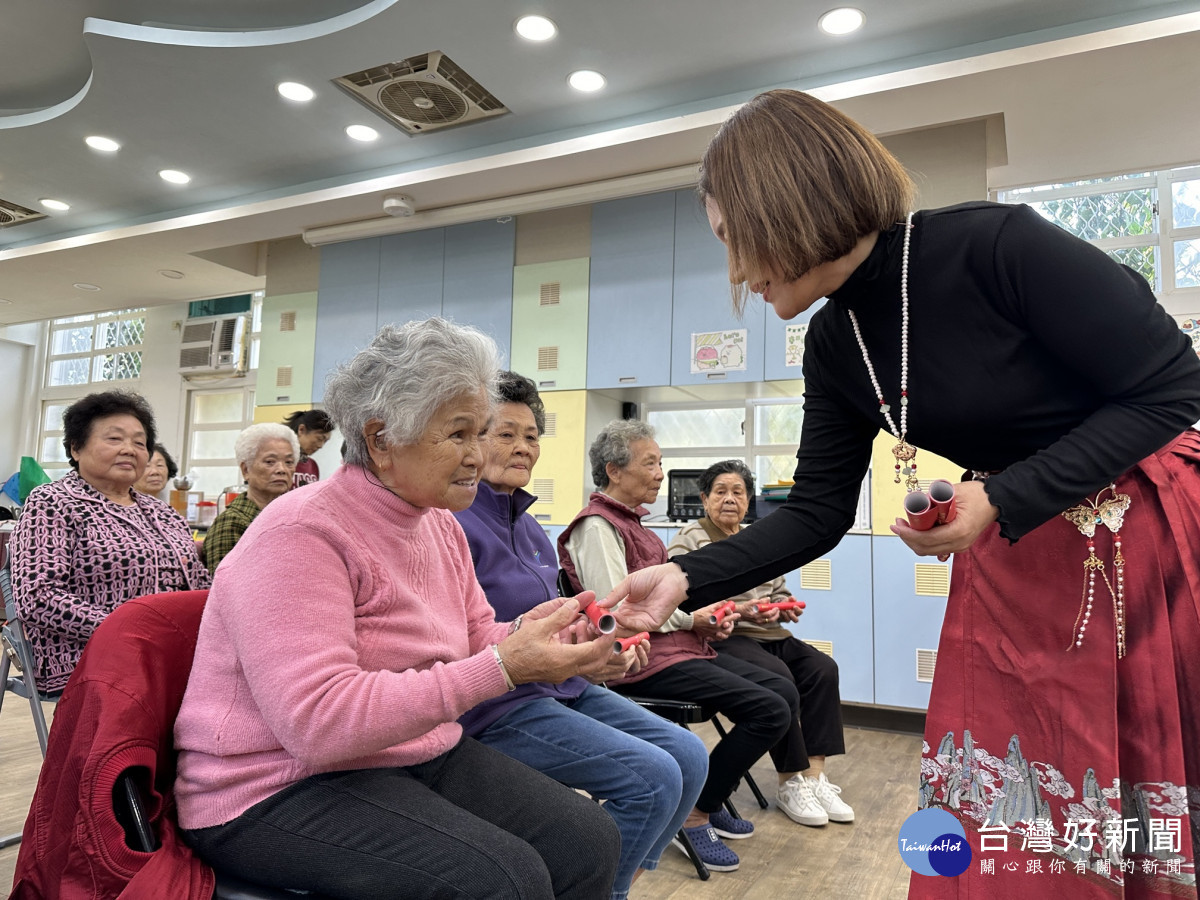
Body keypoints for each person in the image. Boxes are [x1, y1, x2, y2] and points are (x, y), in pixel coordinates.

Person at [602, 88, 1200, 898]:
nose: (736, 271)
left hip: (1145, 535)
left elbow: (1169, 389)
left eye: (731, 239)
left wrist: (1004, 496)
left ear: (784, 206)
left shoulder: (997, 246)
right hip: (1021, 551)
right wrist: (681, 579)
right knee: (1018, 794)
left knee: (1135, 768)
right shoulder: (833, 340)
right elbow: (816, 511)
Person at [174, 319, 628, 900]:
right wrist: (506, 666)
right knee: (502, 880)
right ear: (382, 440)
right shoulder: (300, 532)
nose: (478, 455)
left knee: (587, 839)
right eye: (459, 434)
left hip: (399, 752)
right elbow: (318, 724)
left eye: (482, 431)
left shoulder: (438, 523)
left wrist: (547, 639)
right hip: (271, 786)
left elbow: (472, 636)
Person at [453, 372, 708, 900]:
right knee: (654, 779)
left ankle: (615, 880)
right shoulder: (452, 522)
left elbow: (557, 616)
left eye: (532, 436)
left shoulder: (530, 527)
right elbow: (461, 637)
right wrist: (571, 657)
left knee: (689, 754)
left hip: (559, 685)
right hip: (498, 701)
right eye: (506, 434)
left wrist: (594, 643)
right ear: (471, 439)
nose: (524, 446)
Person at [559, 419, 812, 874]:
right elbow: (618, 610)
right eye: (651, 463)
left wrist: (707, 621)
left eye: (660, 463)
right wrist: (692, 618)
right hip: (643, 661)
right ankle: (697, 811)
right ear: (614, 470)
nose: (660, 473)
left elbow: (667, 598)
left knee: (786, 693)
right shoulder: (597, 526)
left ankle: (705, 796)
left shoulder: (638, 526)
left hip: (681, 648)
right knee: (771, 710)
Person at [667, 459, 854, 827]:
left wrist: (782, 609)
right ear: (704, 499)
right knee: (779, 677)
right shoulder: (691, 539)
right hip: (728, 636)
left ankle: (814, 778)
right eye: (720, 492)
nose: (729, 499)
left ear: (749, 500)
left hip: (769, 632)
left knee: (822, 669)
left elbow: (779, 590)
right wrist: (741, 610)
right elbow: (686, 600)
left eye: (738, 492)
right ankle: (790, 781)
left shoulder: (761, 539)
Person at [10, 391, 210, 693]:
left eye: (140, 443)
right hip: (85, 652)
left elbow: (199, 586)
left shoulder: (162, 512)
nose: (130, 449)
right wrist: (129, 631)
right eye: (114, 439)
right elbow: (39, 597)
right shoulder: (53, 501)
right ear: (76, 449)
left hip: (171, 650)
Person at [202, 423, 298, 574]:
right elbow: (225, 587)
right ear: (246, 470)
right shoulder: (232, 522)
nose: (282, 470)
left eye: (289, 462)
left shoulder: (293, 516)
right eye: (270, 462)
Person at [282, 408, 333, 488]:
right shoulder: (278, 462)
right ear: (301, 430)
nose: (321, 446)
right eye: (320, 439)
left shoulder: (313, 466)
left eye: (325, 441)